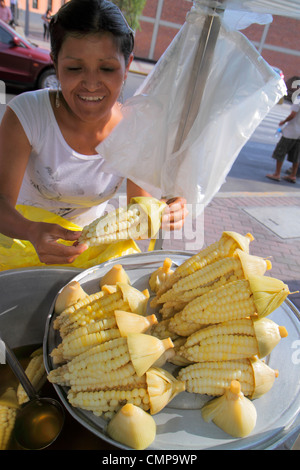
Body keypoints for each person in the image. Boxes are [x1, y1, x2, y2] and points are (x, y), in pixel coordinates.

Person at [0, 0, 187, 267]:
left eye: (107, 68)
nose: (90, 83)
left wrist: (165, 211)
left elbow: (140, 208)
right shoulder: (27, 114)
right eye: (75, 68)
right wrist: (32, 231)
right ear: (55, 62)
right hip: (21, 239)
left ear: (127, 66)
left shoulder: (135, 129)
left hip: (91, 251)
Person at [266, 103, 300, 183]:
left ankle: (277, 174)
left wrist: (283, 122)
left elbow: (293, 115)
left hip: (290, 132)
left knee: (280, 152)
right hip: (299, 135)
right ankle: (293, 175)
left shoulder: (298, 102)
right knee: (296, 155)